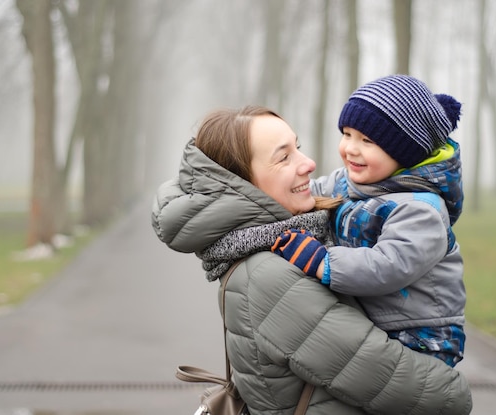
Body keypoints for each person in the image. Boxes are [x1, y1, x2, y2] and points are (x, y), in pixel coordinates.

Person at [152, 105, 472, 414]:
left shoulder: (279, 240)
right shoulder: (269, 275)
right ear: (241, 182)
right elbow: (418, 391)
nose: (309, 163)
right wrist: (455, 393)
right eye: (284, 157)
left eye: (298, 148)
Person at [271, 75, 466, 367]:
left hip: (420, 337)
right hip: (374, 322)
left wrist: (322, 261)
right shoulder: (347, 181)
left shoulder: (422, 209)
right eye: (347, 134)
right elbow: (306, 196)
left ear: (405, 153)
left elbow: (387, 266)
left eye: (367, 140)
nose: (350, 148)